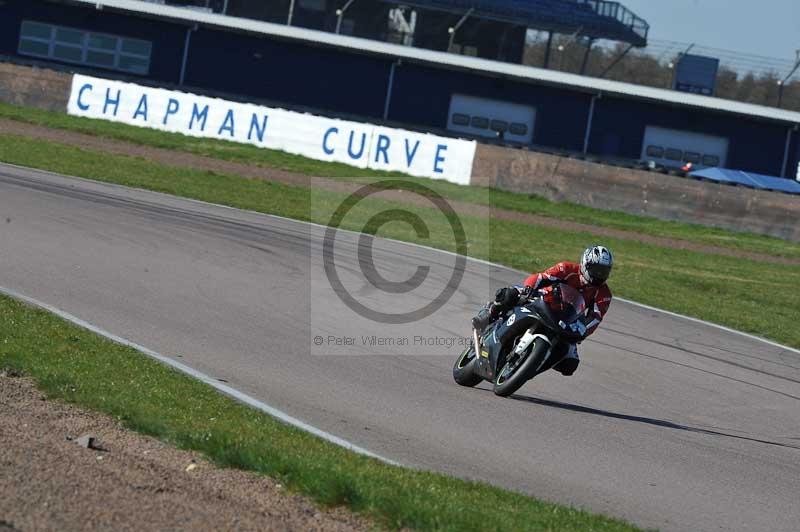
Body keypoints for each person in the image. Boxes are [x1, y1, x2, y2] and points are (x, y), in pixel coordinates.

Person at [471, 245, 613, 377]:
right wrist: (529, 288)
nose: (599, 275)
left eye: (604, 271)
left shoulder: (604, 294)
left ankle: (530, 367)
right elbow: (541, 277)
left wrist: (582, 332)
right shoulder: (566, 268)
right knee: (509, 294)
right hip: (544, 299)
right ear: (585, 264)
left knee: (570, 364)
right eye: (596, 270)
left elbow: (595, 318)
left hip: (567, 320)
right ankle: (489, 315)